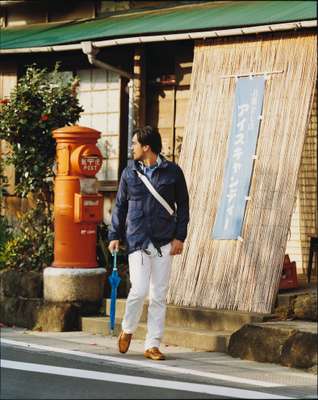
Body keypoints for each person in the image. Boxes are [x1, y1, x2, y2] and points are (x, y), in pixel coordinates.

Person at [108, 125, 189, 361]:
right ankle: (128, 328)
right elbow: (120, 205)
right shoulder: (129, 172)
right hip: (138, 239)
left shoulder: (173, 172)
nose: (131, 147)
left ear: (147, 147)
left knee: (159, 295)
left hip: (164, 240)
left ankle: (152, 344)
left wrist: (180, 237)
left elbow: (183, 206)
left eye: (134, 143)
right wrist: (114, 235)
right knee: (140, 290)